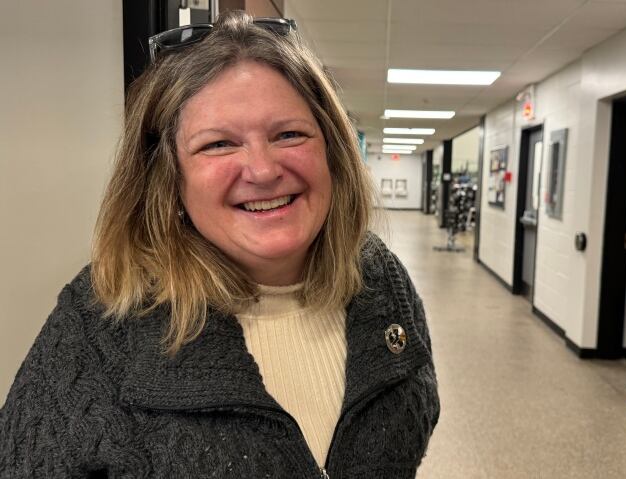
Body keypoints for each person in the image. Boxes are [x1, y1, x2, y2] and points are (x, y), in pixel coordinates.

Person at [0, 11, 439, 478]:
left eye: (289, 134)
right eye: (218, 145)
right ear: (168, 178)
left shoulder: (381, 279)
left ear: (331, 150)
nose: (264, 170)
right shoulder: (98, 322)